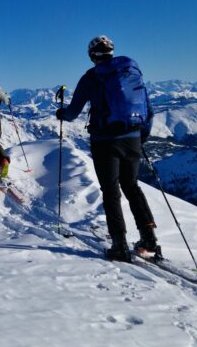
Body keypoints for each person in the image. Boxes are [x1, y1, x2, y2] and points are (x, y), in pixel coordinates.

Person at [56, 35, 158, 262]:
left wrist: (60, 113)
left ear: (92, 55)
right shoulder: (131, 71)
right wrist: (141, 137)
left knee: (111, 191)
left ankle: (119, 244)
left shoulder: (91, 77)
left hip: (104, 141)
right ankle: (149, 238)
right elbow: (148, 109)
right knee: (132, 187)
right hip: (132, 137)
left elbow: (72, 113)